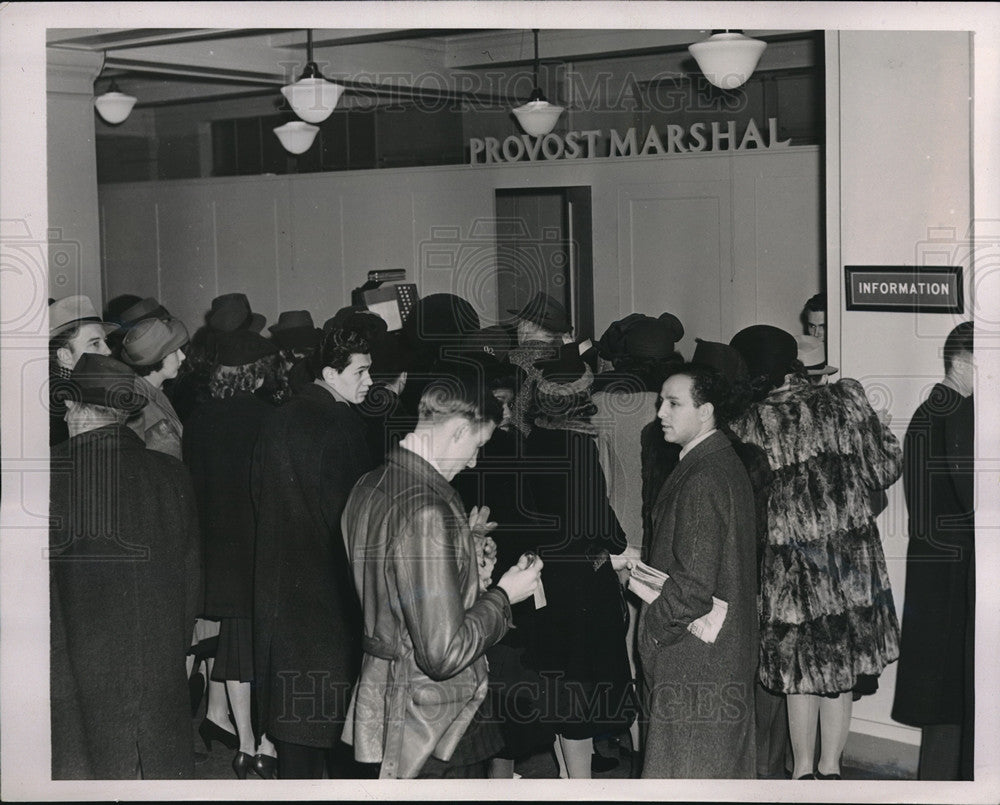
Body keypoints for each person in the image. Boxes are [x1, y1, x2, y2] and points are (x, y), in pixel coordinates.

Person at [341, 370, 544, 778]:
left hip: (380, 697)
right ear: (456, 430)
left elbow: (393, 591)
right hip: (433, 716)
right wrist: (504, 596)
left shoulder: (370, 483)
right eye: (476, 444)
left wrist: (463, 565)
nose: (473, 460)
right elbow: (443, 653)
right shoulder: (428, 509)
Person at [728, 324, 902, 780]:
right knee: (840, 666)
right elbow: (885, 469)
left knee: (797, 669)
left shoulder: (746, 421)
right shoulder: (844, 400)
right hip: (848, 563)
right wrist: (878, 431)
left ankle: (802, 771)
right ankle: (831, 768)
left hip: (790, 568)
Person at [50, 354, 201, 779]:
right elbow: (191, 584)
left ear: (71, 406)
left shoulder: (50, 476)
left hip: (76, 682)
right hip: (160, 672)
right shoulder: (171, 474)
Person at [251, 326, 377, 779]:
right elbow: (354, 519)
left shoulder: (278, 418)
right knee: (343, 737)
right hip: (331, 600)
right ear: (330, 372)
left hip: (281, 593)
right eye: (361, 372)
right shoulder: (343, 426)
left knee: (296, 737)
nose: (368, 381)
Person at [519, 344, 637, 779]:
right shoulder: (578, 447)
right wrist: (620, 544)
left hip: (543, 577)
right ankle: (581, 787)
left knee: (559, 687)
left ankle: (569, 780)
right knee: (584, 692)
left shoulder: (530, 443)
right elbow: (600, 525)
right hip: (582, 582)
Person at [638, 363, 758, 778]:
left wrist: (653, 632)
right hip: (719, 652)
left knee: (686, 773)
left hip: (695, 659)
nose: (660, 413)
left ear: (705, 411)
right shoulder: (720, 460)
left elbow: (692, 587)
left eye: (673, 403)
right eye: (660, 402)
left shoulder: (702, 475)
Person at [182, 329, 280, 779]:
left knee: (231, 643)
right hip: (257, 546)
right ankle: (258, 741)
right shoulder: (269, 419)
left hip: (214, 547)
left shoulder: (199, 420)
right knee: (253, 648)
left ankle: (240, 741)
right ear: (258, 375)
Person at [891, 322, 975, 780]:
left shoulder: (930, 410)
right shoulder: (957, 413)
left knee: (945, 696)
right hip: (955, 576)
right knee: (955, 697)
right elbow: (975, 500)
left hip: (934, 571)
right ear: (963, 364)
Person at [48, 295, 117, 445]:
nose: (108, 351)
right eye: (94, 344)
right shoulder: (55, 407)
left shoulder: (84, 388)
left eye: (104, 341)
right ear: (65, 355)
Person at [120, 316, 190, 459]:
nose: (182, 356)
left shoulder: (149, 389)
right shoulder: (143, 406)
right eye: (175, 351)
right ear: (157, 358)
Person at [506, 291, 572, 436]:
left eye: (520, 323)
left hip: (514, 444)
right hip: (554, 444)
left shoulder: (508, 359)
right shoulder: (569, 364)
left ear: (527, 326)